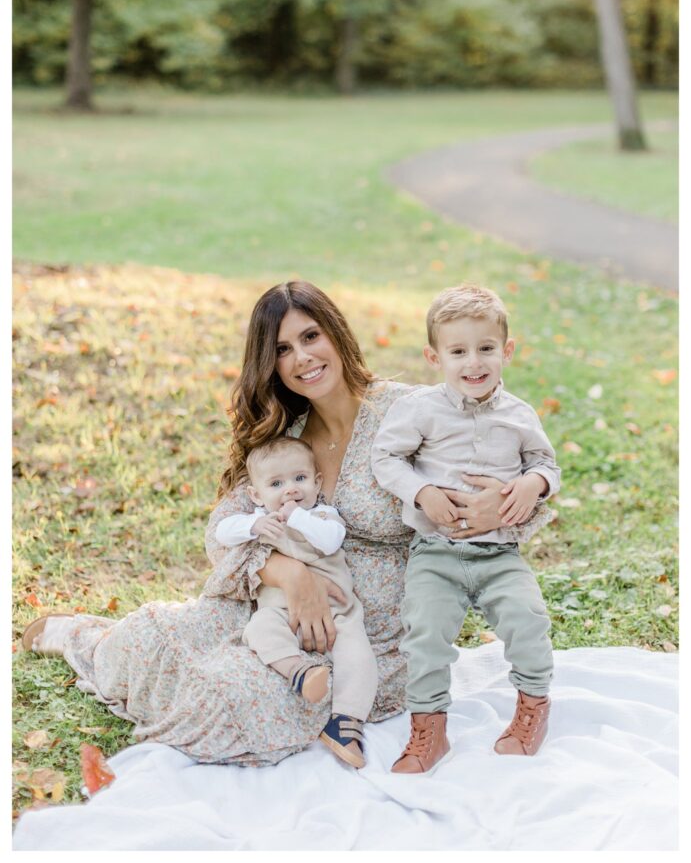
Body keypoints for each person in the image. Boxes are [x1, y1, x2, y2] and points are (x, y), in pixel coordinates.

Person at [22, 280, 554, 768]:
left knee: (229, 694)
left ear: (336, 335)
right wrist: (288, 574)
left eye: (310, 336)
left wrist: (503, 505)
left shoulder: (412, 410)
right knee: (149, 637)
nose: (301, 357)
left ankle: (163, 664)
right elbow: (222, 526)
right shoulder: (289, 434)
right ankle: (87, 639)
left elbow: (507, 466)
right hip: (280, 606)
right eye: (281, 349)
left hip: (373, 634)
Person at [371, 283, 560, 775]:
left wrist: (533, 483)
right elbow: (385, 456)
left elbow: (546, 463)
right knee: (424, 632)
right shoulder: (421, 410)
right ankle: (429, 730)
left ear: (507, 350)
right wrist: (422, 492)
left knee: (529, 621)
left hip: (499, 555)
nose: (473, 363)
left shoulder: (519, 415)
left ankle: (533, 708)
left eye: (486, 348)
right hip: (437, 551)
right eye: (458, 351)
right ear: (435, 357)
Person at [216, 434, 378, 768]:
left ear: (318, 483)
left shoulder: (322, 516)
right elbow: (222, 532)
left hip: (337, 613)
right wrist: (254, 524)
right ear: (256, 495)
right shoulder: (260, 518)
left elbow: (331, 541)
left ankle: (346, 723)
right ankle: (300, 671)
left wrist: (296, 517)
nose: (290, 490)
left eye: (300, 479)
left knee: (357, 653)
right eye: (277, 483)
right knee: (260, 629)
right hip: (279, 609)